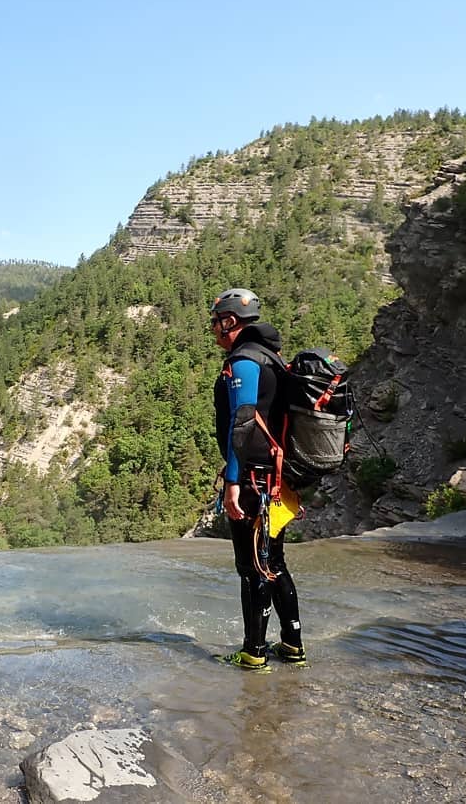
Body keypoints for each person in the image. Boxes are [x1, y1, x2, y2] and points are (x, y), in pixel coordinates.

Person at [210, 287, 306, 670]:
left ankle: (253, 651)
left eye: (215, 323)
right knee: (274, 562)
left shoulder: (244, 362)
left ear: (230, 321)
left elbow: (242, 422)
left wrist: (233, 482)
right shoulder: (272, 359)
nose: (213, 330)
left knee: (251, 567)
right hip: (275, 479)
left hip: (253, 481)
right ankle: (292, 645)